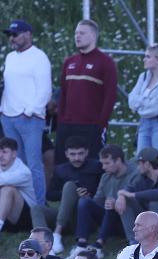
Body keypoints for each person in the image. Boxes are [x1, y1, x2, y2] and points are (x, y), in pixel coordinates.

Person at [1, 20, 51, 209]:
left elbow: (45, 91)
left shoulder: (39, 57)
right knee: (15, 165)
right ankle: (19, 207)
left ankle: (39, 208)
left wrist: (29, 111)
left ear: (28, 34)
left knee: (34, 166)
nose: (12, 38)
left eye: (15, 34)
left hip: (30, 118)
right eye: (10, 35)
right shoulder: (10, 57)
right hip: (8, 116)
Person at [55, 20, 117, 162]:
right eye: (76, 33)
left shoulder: (106, 62)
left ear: (93, 36)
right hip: (67, 125)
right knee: (62, 166)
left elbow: (110, 97)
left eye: (82, 33)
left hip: (91, 126)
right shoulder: (69, 62)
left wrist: (101, 124)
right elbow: (63, 94)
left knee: (92, 166)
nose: (77, 36)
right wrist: (61, 121)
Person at [69, 144, 138, 259]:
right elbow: (97, 201)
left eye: (107, 163)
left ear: (118, 161)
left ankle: (99, 246)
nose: (103, 167)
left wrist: (116, 202)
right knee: (85, 201)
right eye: (102, 163)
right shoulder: (106, 177)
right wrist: (89, 198)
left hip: (129, 220)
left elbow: (138, 201)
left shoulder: (135, 174)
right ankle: (81, 246)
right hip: (109, 219)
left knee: (116, 203)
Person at [48, 136, 103, 255]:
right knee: (36, 209)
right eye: (73, 154)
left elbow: (103, 190)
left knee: (70, 186)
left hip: (88, 215)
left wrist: (89, 195)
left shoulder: (97, 167)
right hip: (66, 214)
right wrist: (70, 194)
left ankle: (57, 233)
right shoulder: (60, 170)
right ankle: (43, 240)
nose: (77, 158)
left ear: (87, 152)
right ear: (66, 154)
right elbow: (50, 195)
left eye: (80, 154)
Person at [115, 147, 158, 241]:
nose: (138, 168)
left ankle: (155, 243)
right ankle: (134, 243)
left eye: (139, 164)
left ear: (147, 164)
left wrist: (133, 195)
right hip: (150, 223)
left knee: (156, 203)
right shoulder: (142, 179)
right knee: (125, 200)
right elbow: (127, 189)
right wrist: (121, 196)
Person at [128, 43, 158, 165]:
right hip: (143, 124)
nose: (144, 59)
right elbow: (131, 100)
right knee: (141, 161)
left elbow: (157, 108)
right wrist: (145, 102)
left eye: (148, 57)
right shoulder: (143, 77)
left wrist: (140, 104)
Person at [0, 136, 39, 231]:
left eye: (4, 152)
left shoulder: (23, 172)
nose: (0, 155)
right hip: (7, 213)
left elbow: (3, 180)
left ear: (14, 154)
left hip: (26, 218)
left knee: (8, 190)